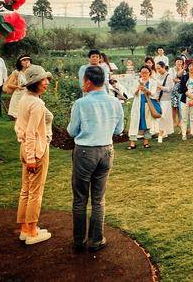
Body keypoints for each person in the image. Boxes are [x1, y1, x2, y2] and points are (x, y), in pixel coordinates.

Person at [67, 65, 124, 253]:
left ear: (88, 82)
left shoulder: (81, 103)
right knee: (98, 199)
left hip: (85, 152)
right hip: (106, 150)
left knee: (80, 199)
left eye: (83, 80)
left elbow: (72, 131)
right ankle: (95, 240)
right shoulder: (115, 102)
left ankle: (78, 240)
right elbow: (118, 130)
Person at [15, 64, 53, 245]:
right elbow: (31, 133)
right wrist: (31, 158)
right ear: (34, 83)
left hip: (25, 148)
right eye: (43, 80)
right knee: (35, 193)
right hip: (36, 151)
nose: (46, 83)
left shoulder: (24, 99)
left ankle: (24, 229)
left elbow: (19, 126)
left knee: (26, 190)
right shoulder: (37, 104)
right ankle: (32, 232)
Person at [127, 66, 158, 149]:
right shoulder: (136, 81)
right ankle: (132, 143)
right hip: (138, 104)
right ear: (140, 73)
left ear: (149, 73)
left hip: (147, 104)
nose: (144, 74)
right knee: (134, 122)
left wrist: (145, 89)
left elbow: (153, 94)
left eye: (146, 72)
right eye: (142, 72)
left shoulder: (153, 82)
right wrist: (138, 89)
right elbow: (133, 93)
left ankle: (146, 142)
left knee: (147, 122)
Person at [179, 60, 193, 140]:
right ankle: (184, 134)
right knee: (184, 118)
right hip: (185, 99)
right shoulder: (184, 77)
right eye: (190, 66)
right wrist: (190, 97)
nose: (191, 67)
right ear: (187, 68)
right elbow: (182, 88)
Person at [7, 55, 31, 120]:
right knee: (18, 116)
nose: (26, 61)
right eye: (24, 60)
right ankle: (18, 129)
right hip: (18, 97)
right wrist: (18, 86)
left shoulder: (31, 72)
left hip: (28, 96)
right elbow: (9, 84)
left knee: (27, 116)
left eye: (28, 60)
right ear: (20, 62)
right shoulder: (16, 72)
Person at [155, 61, 174, 141]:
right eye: (157, 68)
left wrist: (160, 87)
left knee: (164, 115)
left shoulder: (169, 76)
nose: (158, 70)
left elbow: (169, 89)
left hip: (166, 99)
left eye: (159, 68)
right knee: (161, 115)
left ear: (163, 67)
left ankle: (163, 132)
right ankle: (163, 131)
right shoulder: (158, 76)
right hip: (159, 98)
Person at [169, 58, 185, 132]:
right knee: (174, 106)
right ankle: (174, 121)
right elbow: (172, 79)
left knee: (180, 107)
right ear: (175, 62)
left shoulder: (184, 69)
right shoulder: (171, 69)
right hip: (174, 90)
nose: (179, 63)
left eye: (180, 62)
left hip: (182, 90)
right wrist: (180, 81)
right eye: (178, 61)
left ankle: (180, 121)